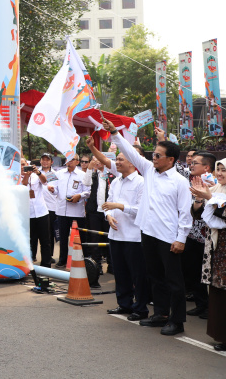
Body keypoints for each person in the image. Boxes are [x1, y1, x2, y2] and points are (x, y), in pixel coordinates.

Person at [103, 117, 191, 336]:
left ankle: (177, 321)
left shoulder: (179, 181)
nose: (154, 158)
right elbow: (131, 152)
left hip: (169, 237)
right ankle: (160, 314)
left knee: (174, 281)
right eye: (153, 154)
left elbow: (185, 213)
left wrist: (181, 238)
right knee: (155, 277)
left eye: (158, 155)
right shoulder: (149, 171)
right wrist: (115, 132)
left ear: (170, 159)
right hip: (148, 233)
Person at [100, 150, 150, 320]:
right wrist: (108, 216)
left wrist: (120, 206)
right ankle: (124, 304)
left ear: (132, 162)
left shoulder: (141, 182)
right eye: (117, 159)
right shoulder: (115, 182)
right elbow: (107, 204)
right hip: (115, 235)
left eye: (121, 159)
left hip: (134, 236)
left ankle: (141, 307)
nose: (117, 162)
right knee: (120, 273)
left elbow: (141, 210)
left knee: (138, 274)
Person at [190, 159, 226, 351]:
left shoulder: (215, 191)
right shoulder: (217, 188)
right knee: (218, 292)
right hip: (216, 248)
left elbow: (222, 212)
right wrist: (199, 198)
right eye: (218, 169)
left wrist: (209, 196)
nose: (220, 174)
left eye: (224, 170)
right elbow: (199, 215)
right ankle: (221, 336)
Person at [184, 151, 216, 320]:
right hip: (192, 235)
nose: (190, 165)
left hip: (209, 238)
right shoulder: (191, 181)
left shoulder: (214, 183)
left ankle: (210, 307)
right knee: (194, 271)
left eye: (195, 163)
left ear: (206, 167)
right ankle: (201, 304)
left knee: (208, 275)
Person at [54, 153, 90, 268]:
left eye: (72, 159)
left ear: (77, 162)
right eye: (67, 159)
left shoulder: (82, 175)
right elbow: (55, 189)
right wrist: (52, 189)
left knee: (78, 237)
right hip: (61, 210)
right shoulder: (59, 174)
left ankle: (81, 259)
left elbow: (87, 192)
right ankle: (62, 259)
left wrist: (79, 196)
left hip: (76, 212)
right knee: (63, 237)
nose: (69, 161)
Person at [82, 156, 114, 271]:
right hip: (94, 211)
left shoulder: (111, 174)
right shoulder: (93, 174)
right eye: (94, 160)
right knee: (95, 238)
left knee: (109, 238)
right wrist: (90, 168)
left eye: (99, 160)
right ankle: (97, 265)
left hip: (108, 211)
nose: (97, 162)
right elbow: (86, 183)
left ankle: (111, 265)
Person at [22, 158, 51, 267]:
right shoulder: (16, 176)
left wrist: (38, 172)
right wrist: (26, 176)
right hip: (28, 213)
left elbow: (45, 181)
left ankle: (46, 265)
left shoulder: (36, 174)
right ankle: (30, 264)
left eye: (24, 164)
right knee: (31, 240)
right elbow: (23, 186)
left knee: (45, 240)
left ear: (28, 164)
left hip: (41, 211)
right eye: (20, 165)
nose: (22, 166)